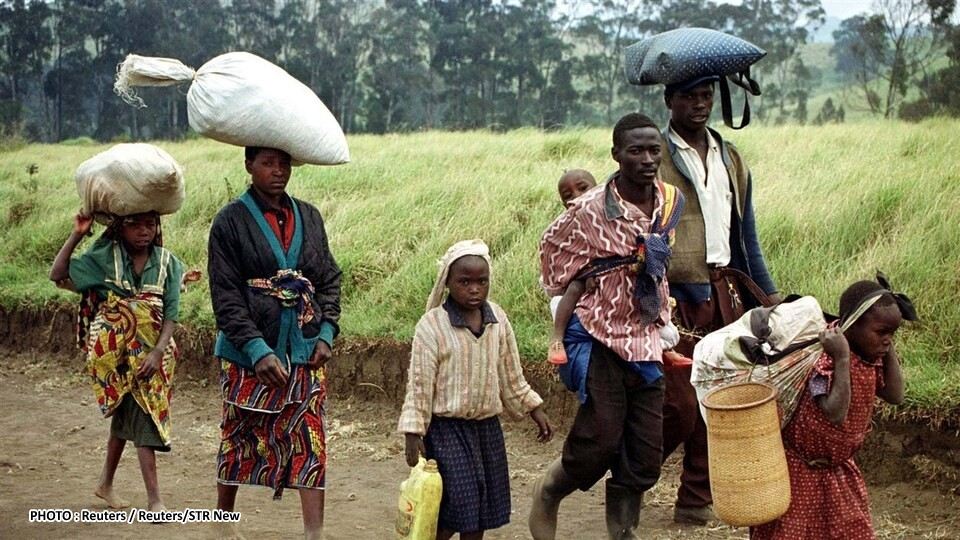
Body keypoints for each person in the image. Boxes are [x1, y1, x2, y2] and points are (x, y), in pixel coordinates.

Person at [530, 112, 684, 540]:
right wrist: (570, 291)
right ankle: (549, 491)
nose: (647, 159)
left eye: (654, 150)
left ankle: (622, 530)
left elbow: (662, 263)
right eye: (636, 150)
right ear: (616, 155)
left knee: (645, 454)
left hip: (647, 337)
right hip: (602, 336)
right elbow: (552, 247)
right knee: (597, 441)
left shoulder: (670, 201)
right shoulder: (590, 208)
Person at [658, 74, 782, 525]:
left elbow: (747, 235)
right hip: (674, 298)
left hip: (726, 290)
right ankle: (634, 475)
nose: (699, 104)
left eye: (706, 95)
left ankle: (694, 498)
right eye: (688, 96)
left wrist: (768, 295)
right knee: (678, 403)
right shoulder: (655, 156)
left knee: (721, 396)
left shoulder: (730, 157)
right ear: (669, 100)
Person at [207, 146, 342, 540]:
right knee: (239, 434)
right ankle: (222, 526)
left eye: (283, 164)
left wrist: (327, 333)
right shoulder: (229, 222)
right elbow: (226, 295)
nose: (278, 171)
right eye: (268, 163)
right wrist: (256, 349)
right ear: (248, 166)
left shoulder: (310, 217)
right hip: (247, 353)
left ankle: (314, 533)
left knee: (310, 436)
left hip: (303, 347)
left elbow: (329, 279)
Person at [399, 239, 552, 540]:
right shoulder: (432, 326)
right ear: (447, 283)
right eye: (464, 281)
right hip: (446, 431)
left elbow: (511, 374)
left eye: (482, 281)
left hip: (486, 430)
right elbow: (419, 385)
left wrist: (535, 408)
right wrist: (413, 432)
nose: (474, 289)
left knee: (481, 509)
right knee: (453, 508)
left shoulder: (497, 320)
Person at [752, 274, 916, 539]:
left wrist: (888, 347)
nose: (887, 340)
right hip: (798, 473)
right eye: (881, 332)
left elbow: (895, 395)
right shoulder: (825, 358)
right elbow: (834, 413)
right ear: (850, 327)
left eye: (892, 333)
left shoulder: (870, 358)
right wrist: (841, 357)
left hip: (838, 471)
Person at [50, 210, 184, 512]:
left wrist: (158, 351)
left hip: (154, 355)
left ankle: (105, 484)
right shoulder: (105, 258)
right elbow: (58, 274)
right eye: (134, 224)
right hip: (114, 356)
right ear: (121, 227)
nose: (143, 231)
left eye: (150, 224)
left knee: (130, 412)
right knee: (142, 414)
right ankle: (155, 500)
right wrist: (77, 234)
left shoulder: (168, 263)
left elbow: (171, 314)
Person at [547, 169, 598, 365]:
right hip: (582, 278)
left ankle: (664, 344)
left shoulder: (613, 215)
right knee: (575, 286)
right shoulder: (566, 227)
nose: (577, 196)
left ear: (599, 189)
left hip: (615, 272)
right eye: (568, 196)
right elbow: (565, 261)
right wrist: (587, 275)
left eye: (583, 188)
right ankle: (557, 338)